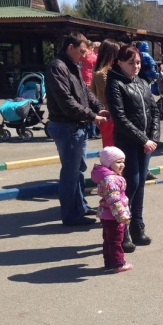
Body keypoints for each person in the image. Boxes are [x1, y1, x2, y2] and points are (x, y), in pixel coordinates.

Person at [45, 32, 108, 226]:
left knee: (78, 169)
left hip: (75, 126)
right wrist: (92, 116)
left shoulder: (72, 66)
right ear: (69, 47)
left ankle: (79, 206)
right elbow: (67, 102)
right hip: (66, 126)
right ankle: (71, 215)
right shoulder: (57, 67)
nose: (84, 56)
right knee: (70, 173)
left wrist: (99, 108)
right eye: (81, 51)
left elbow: (85, 92)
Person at [107, 45, 160, 252]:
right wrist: (142, 139)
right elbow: (120, 119)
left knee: (140, 186)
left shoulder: (143, 83)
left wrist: (153, 138)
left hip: (146, 143)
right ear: (120, 62)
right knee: (132, 184)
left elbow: (154, 111)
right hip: (128, 142)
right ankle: (123, 229)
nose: (136, 66)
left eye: (138, 62)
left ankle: (138, 226)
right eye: (131, 63)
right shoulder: (115, 84)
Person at [91, 146, 133, 273]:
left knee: (108, 239)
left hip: (106, 215)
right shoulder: (111, 180)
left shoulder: (108, 177)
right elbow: (114, 200)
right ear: (109, 163)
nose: (122, 165)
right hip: (114, 216)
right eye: (118, 162)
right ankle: (118, 263)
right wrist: (122, 215)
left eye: (123, 162)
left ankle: (109, 262)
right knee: (116, 240)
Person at [91, 39, 120, 148]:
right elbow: (108, 97)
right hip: (110, 116)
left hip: (113, 116)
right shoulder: (102, 74)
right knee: (113, 153)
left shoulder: (111, 71)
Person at [80, 40, 100, 140]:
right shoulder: (94, 58)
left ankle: (89, 130)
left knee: (86, 107)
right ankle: (93, 131)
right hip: (91, 83)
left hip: (83, 82)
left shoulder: (83, 58)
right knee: (93, 108)